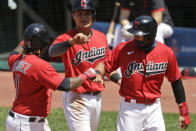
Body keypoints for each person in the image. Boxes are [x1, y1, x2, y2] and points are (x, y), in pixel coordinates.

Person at [94, 15, 190, 131]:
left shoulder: (166, 53)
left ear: (149, 36)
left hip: (155, 110)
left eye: (138, 35)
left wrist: (183, 110)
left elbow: (175, 80)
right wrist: (99, 73)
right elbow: (105, 65)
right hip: (130, 110)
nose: (134, 36)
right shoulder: (124, 48)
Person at [5, 23, 98, 131]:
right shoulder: (40, 66)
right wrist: (87, 74)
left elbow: (15, 51)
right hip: (28, 125)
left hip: (16, 120)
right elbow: (65, 85)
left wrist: (28, 39)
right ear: (43, 45)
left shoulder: (15, 59)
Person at [48, 0, 113, 130]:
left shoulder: (101, 37)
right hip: (75, 97)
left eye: (87, 13)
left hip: (97, 97)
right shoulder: (66, 37)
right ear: (73, 16)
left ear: (93, 15)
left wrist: (101, 73)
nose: (84, 17)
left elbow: (105, 62)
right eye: (80, 14)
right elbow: (52, 52)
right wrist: (71, 42)